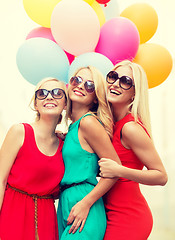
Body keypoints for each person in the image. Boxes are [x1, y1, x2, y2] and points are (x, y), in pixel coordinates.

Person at [98, 60, 168, 240]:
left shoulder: (130, 128)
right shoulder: (109, 125)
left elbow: (161, 176)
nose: (115, 84)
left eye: (126, 81)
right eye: (113, 77)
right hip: (107, 213)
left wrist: (119, 170)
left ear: (134, 94)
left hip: (128, 217)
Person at [57, 66, 121, 240]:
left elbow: (115, 170)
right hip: (66, 202)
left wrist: (86, 203)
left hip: (85, 202)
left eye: (89, 85)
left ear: (95, 98)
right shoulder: (73, 128)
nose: (80, 86)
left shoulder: (89, 123)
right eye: (76, 80)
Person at [0, 77, 67, 240]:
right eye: (42, 93)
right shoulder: (19, 132)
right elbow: (0, 180)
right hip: (13, 211)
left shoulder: (65, 145)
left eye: (57, 93)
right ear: (36, 104)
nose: (49, 97)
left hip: (47, 217)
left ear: (66, 104)